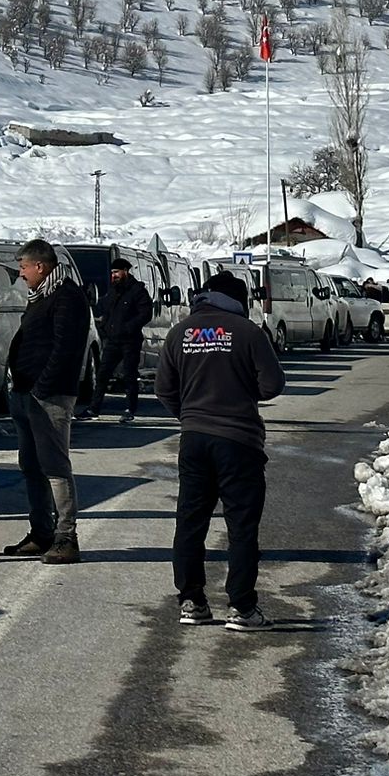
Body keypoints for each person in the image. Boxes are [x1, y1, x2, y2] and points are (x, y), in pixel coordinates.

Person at [156, 269, 285, 631]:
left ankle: (192, 601)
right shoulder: (247, 332)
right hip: (239, 440)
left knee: (190, 521)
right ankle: (242, 608)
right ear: (238, 300)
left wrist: (190, 414)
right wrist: (243, 391)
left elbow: (164, 390)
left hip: (194, 439)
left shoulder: (179, 332)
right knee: (241, 525)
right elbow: (273, 383)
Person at [3, 238, 89, 564]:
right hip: (27, 393)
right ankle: (42, 532)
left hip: (48, 396)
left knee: (54, 465)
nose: (21, 274)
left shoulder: (67, 297)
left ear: (40, 266)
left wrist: (42, 388)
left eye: (23, 267)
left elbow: (65, 349)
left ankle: (66, 537)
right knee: (32, 465)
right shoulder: (42, 295)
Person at [91, 254, 154, 424]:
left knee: (129, 375)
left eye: (117, 272)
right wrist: (104, 326)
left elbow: (146, 313)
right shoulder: (113, 292)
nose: (114, 276)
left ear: (125, 271)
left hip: (130, 340)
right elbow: (105, 310)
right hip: (113, 340)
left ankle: (129, 409)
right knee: (102, 374)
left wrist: (128, 327)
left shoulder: (137, 291)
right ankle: (94, 408)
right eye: (112, 273)